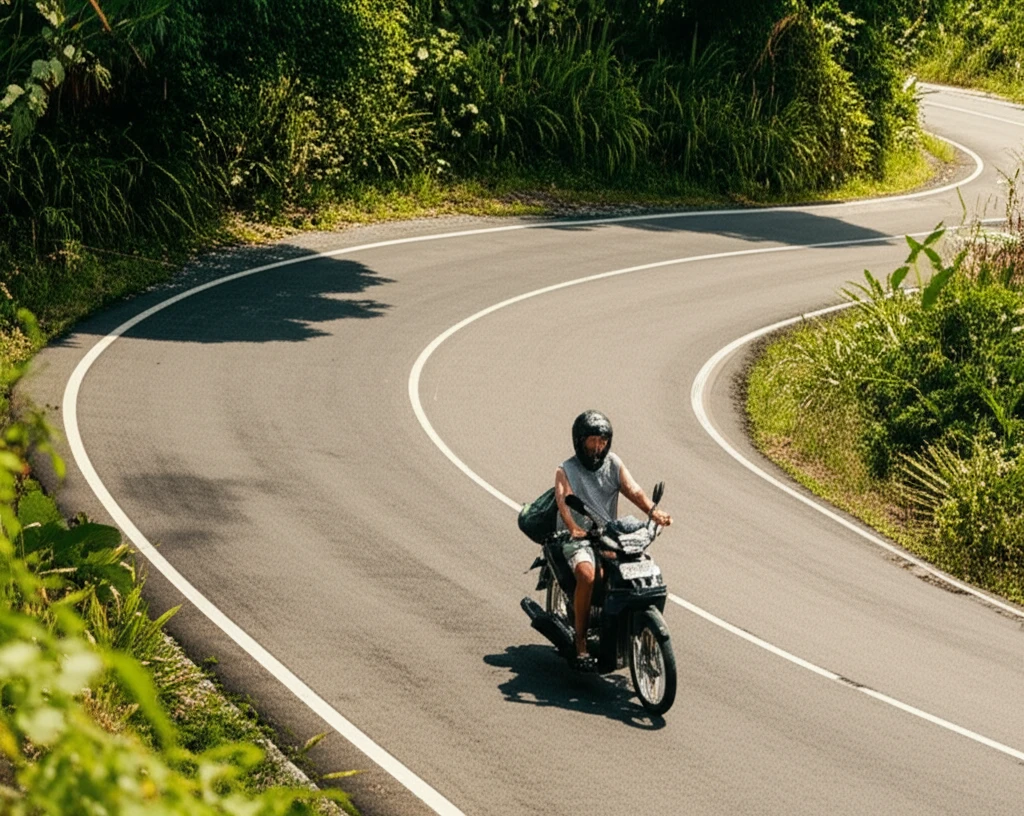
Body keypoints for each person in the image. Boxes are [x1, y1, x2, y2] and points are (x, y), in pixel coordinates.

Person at [553, 409, 672, 672]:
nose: (598, 446)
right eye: (593, 441)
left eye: (603, 441)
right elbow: (563, 501)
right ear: (580, 441)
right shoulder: (566, 469)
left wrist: (653, 512)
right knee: (588, 575)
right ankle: (581, 641)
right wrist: (573, 527)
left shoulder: (613, 463)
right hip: (580, 536)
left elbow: (633, 490)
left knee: (636, 568)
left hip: (608, 535)